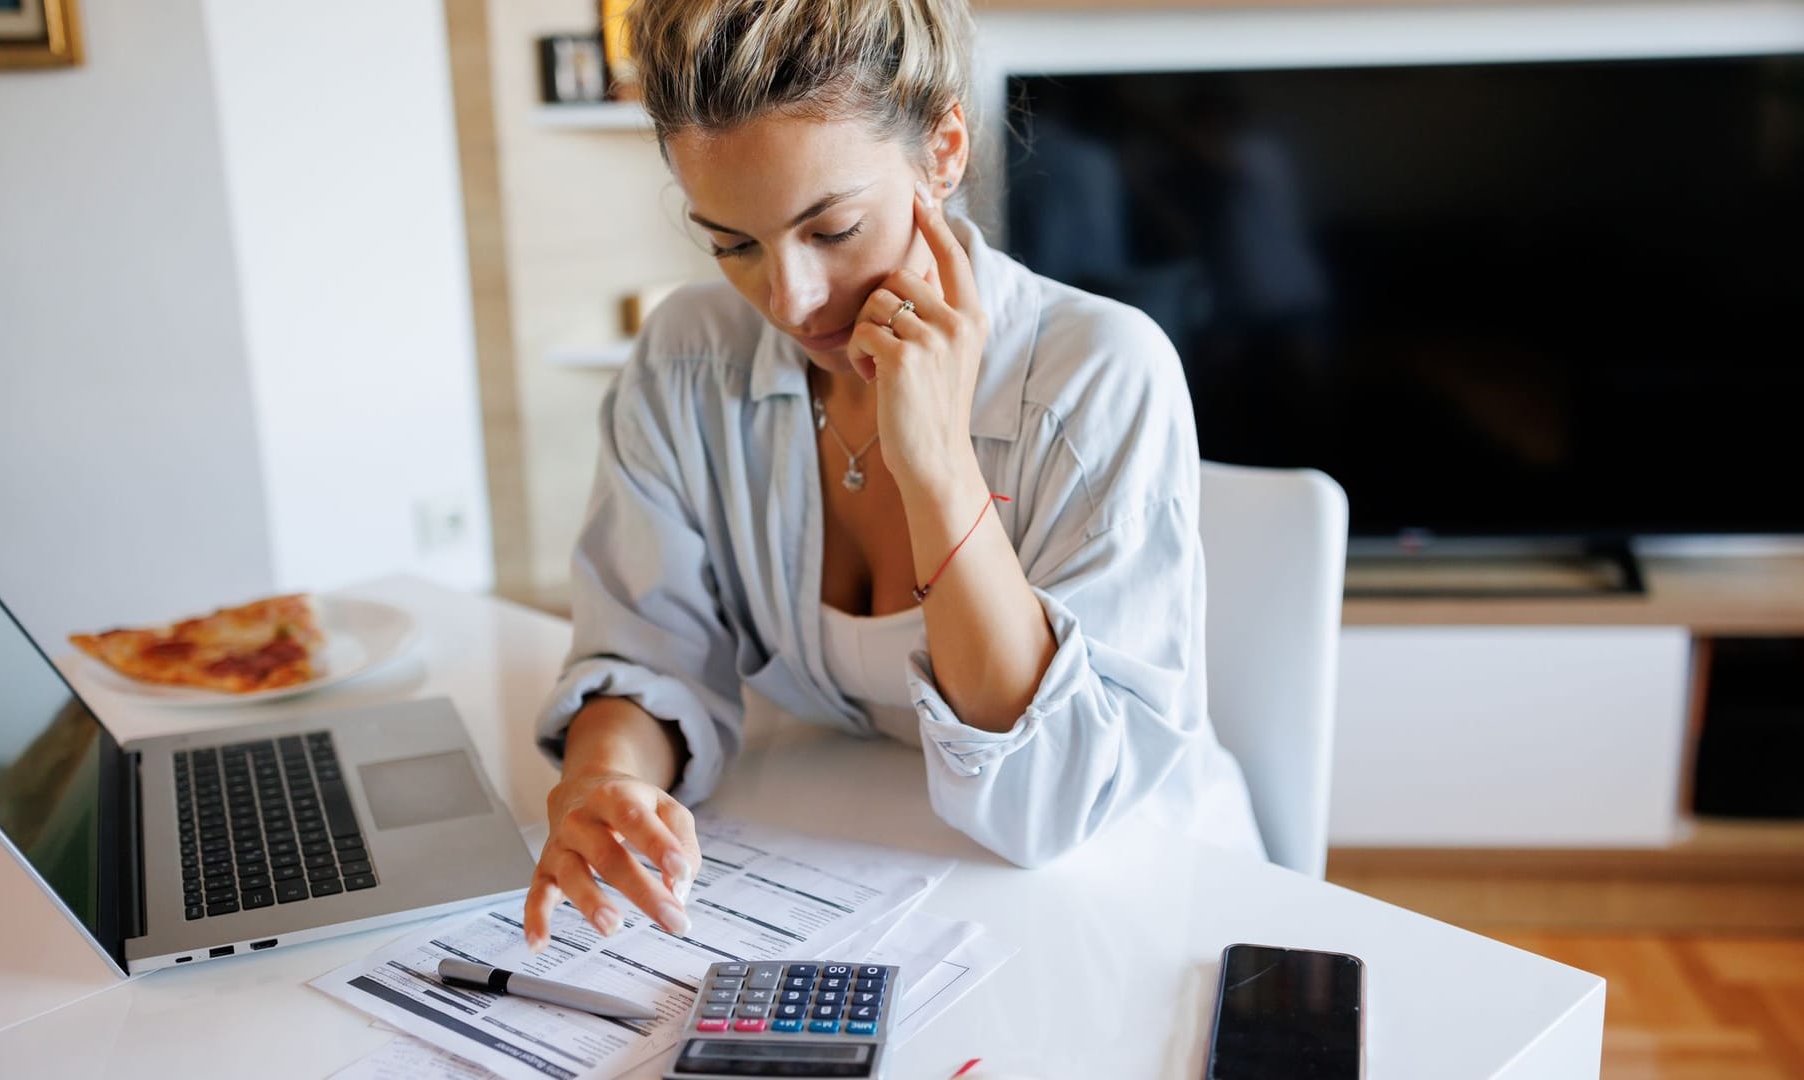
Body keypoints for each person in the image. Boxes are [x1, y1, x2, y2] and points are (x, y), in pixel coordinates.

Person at [522, 0, 1261, 951]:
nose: (789, 301)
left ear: (943, 151)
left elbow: (1049, 805)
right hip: (879, 875)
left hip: (1137, 894)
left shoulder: (1100, 373)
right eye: (733, 244)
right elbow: (647, 654)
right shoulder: (687, 359)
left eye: (832, 230)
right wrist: (605, 784)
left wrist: (937, 464)